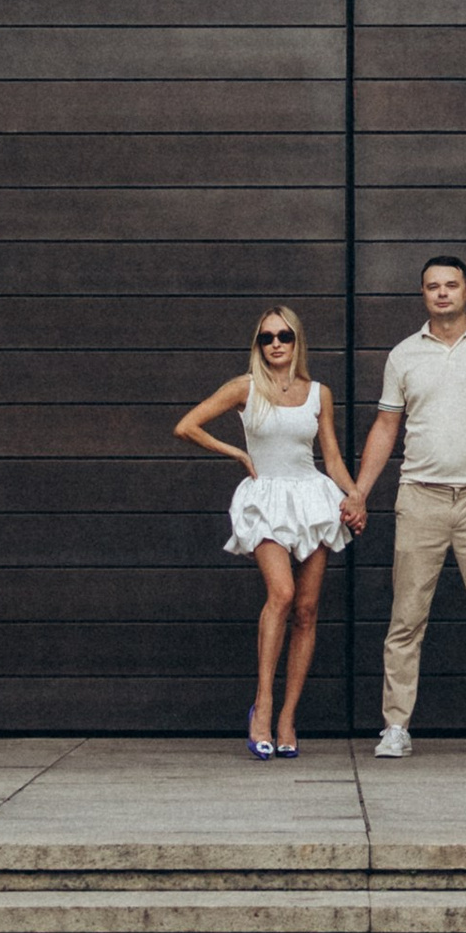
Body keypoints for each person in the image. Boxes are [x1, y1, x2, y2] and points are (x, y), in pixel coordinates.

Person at [347, 254, 466, 759]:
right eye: (434, 287)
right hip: (421, 497)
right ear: (424, 294)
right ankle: (395, 726)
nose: (443, 293)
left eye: (452, 285)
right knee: (406, 619)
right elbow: (387, 427)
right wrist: (360, 491)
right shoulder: (404, 355)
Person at [175, 305, 365, 759]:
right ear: (258, 344)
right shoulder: (245, 388)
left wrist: (354, 495)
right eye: (267, 337)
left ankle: (287, 718)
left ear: (297, 341)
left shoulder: (318, 393)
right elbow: (187, 425)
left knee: (307, 608)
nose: (276, 344)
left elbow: (332, 457)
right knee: (280, 593)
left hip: (312, 499)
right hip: (266, 501)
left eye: (284, 336)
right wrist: (238, 455)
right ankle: (262, 706)